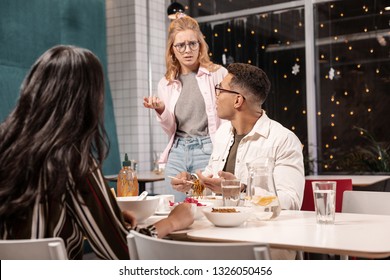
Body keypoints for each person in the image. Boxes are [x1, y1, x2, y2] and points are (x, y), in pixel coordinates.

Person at [0, 45, 194, 260]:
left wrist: (108, 216)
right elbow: (122, 255)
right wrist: (171, 222)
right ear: (87, 101)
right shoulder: (72, 161)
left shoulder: (5, 143)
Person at [171, 63, 305, 260]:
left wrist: (241, 189)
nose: (215, 95)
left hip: (263, 244)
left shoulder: (283, 140)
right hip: (221, 235)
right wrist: (192, 183)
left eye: (220, 89)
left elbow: (290, 202)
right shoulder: (223, 133)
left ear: (237, 100)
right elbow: (212, 185)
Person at [143, 14, 228, 200]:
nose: (187, 50)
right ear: (172, 50)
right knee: (178, 210)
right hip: (178, 152)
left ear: (200, 45)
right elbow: (170, 129)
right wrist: (161, 110)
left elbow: (229, 117)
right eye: (180, 45)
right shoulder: (166, 83)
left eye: (192, 43)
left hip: (207, 150)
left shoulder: (218, 74)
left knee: (205, 206)